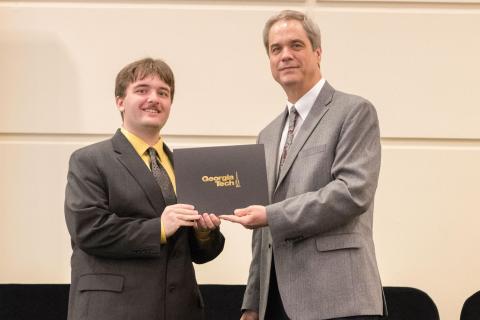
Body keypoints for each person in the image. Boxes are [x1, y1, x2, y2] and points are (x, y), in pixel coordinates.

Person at [221, 10, 386, 320]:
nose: (285, 55)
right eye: (276, 49)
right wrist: (253, 302)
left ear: (317, 52)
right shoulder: (267, 135)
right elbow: (262, 233)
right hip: (277, 302)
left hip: (340, 298)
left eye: (296, 45)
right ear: (269, 60)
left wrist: (270, 215)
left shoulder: (354, 112)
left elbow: (352, 193)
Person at [65, 57, 224, 320]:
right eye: (142, 90)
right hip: (113, 311)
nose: (154, 98)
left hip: (180, 311)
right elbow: (89, 230)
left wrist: (205, 234)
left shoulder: (187, 168)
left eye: (163, 93)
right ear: (119, 101)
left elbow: (193, 252)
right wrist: (159, 228)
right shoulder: (89, 160)